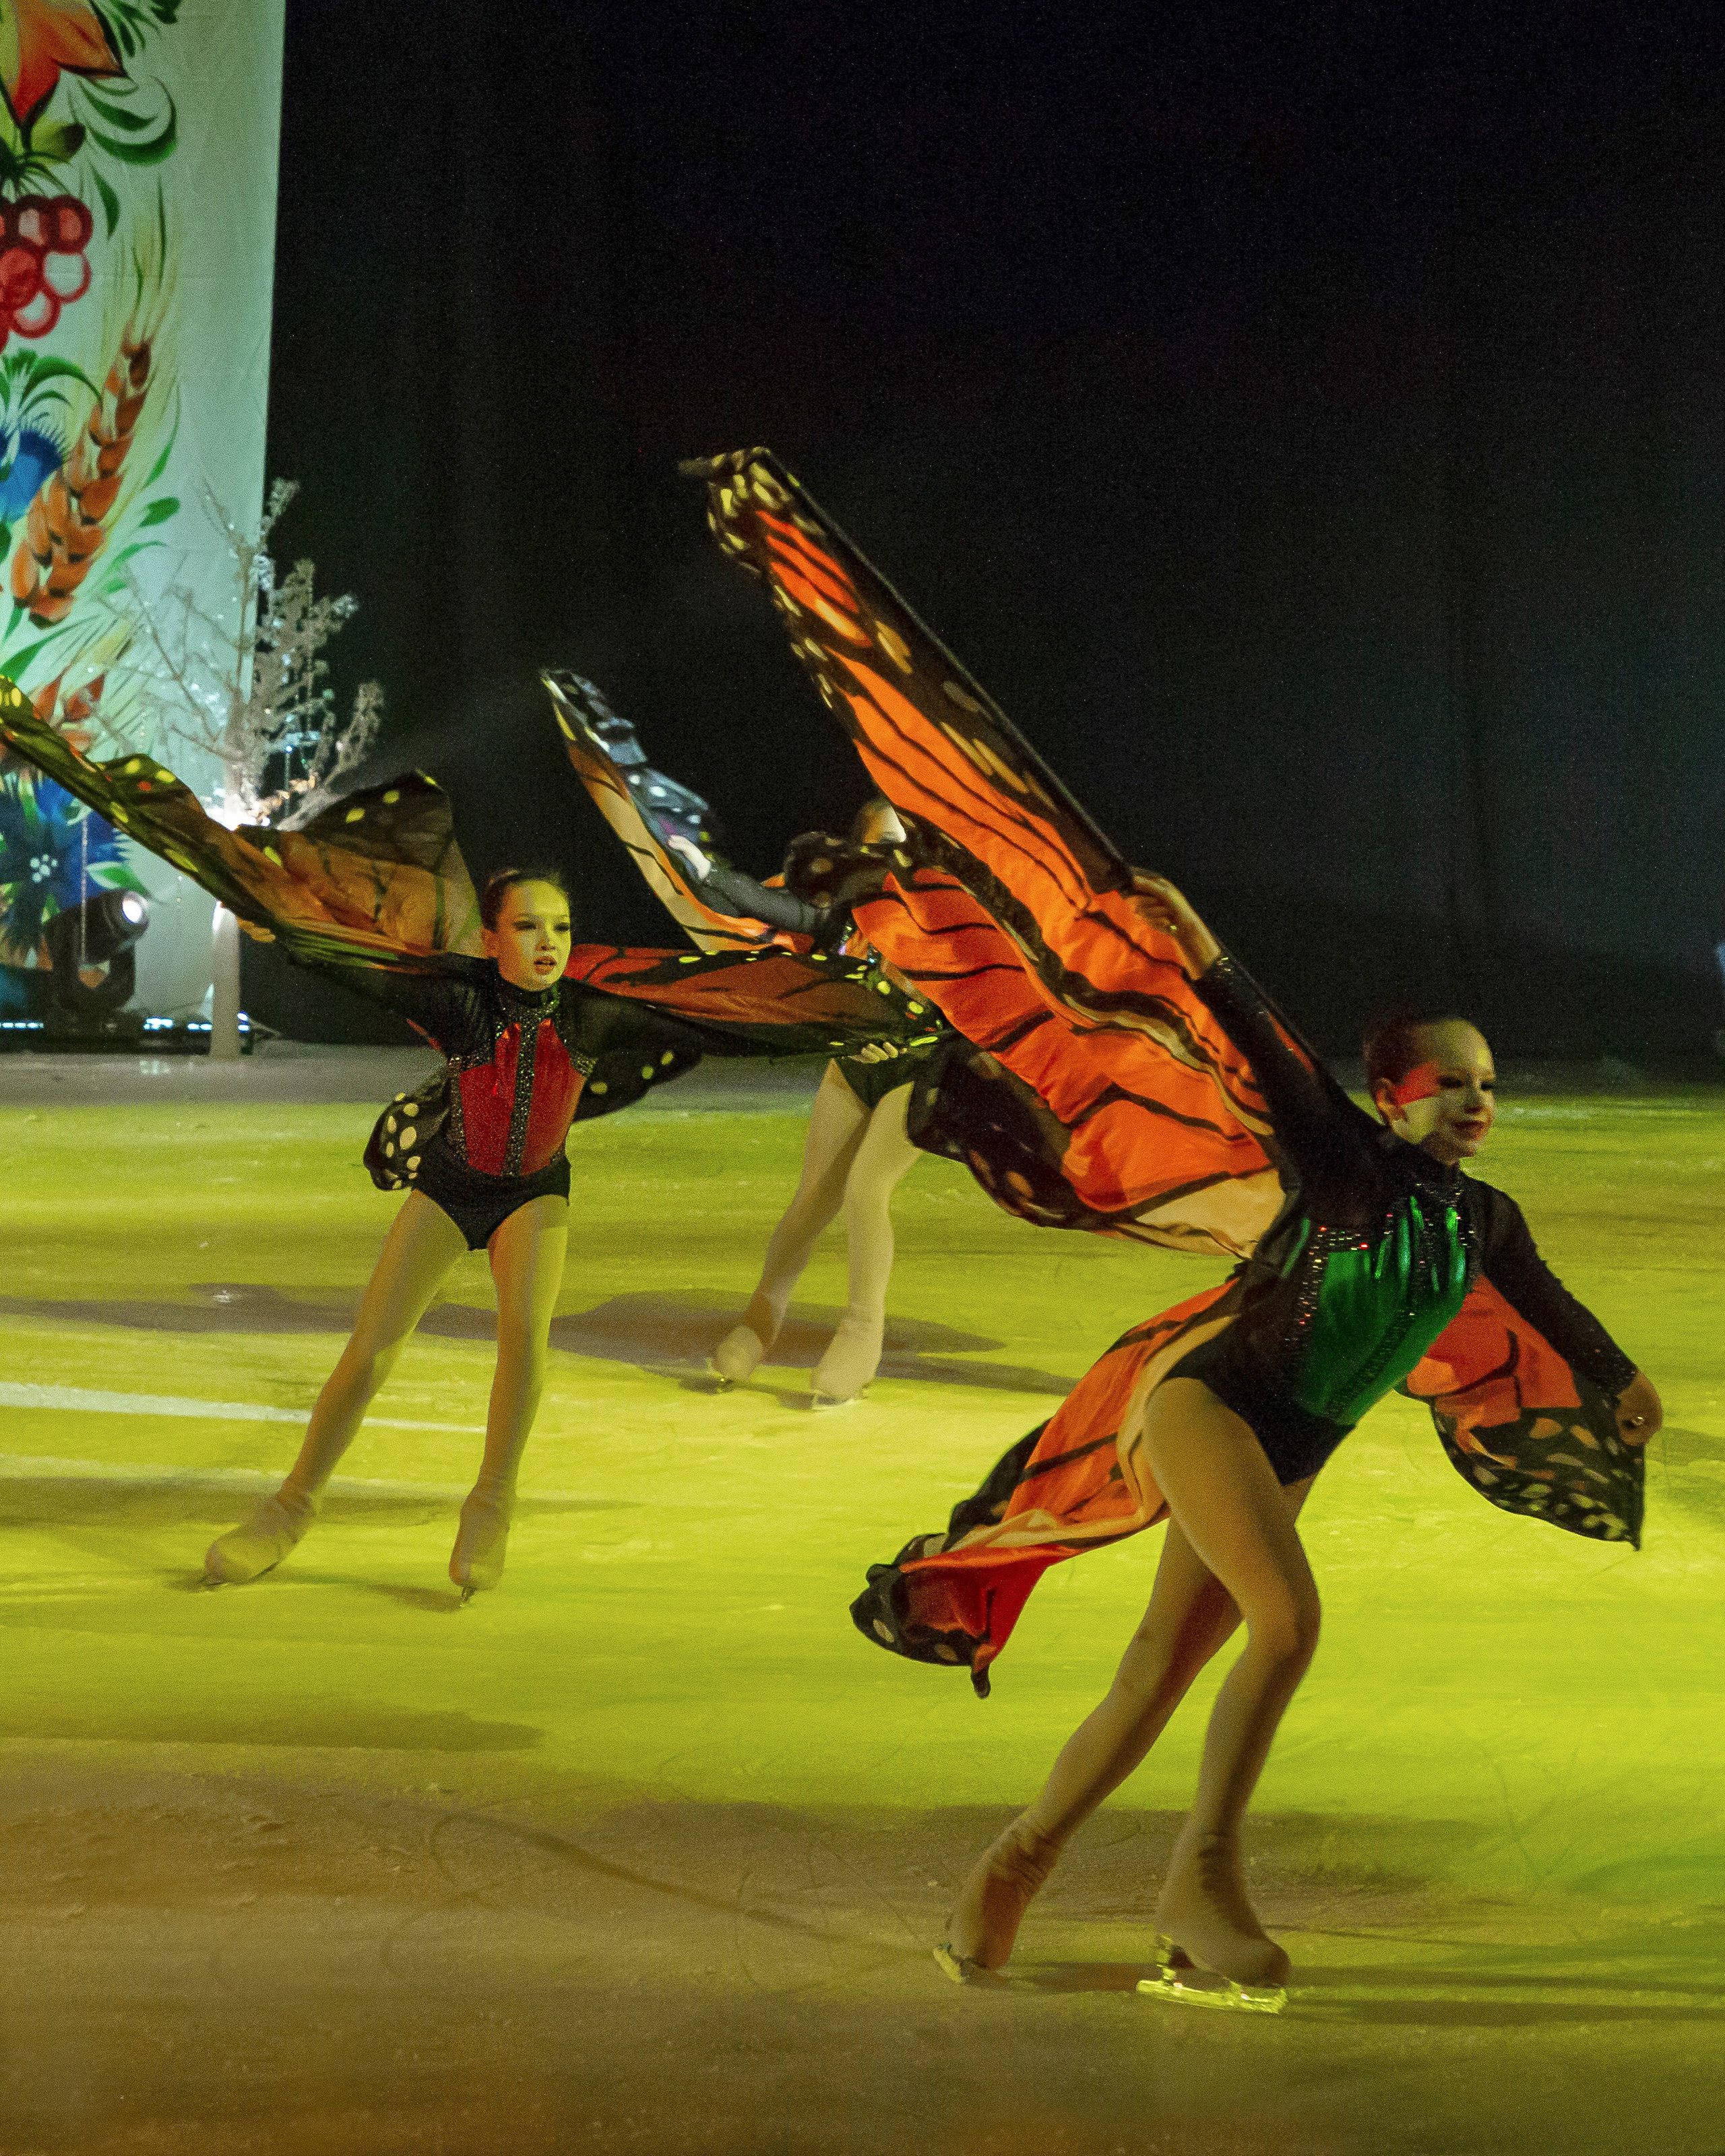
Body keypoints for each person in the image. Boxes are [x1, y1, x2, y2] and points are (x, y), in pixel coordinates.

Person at [0, 685, 919, 1595]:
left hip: (532, 1196)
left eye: (560, 926)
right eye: (529, 927)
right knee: (373, 1347)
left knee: (526, 1343)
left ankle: (491, 1506)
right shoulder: (457, 993)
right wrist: (282, 926)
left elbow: (726, 1010)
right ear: (494, 933)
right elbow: (347, 957)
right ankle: (290, 1506)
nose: (550, 941)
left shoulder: (595, 1008)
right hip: (449, 1185)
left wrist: (866, 1020)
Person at [921, 874, 1660, 2006]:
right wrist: (1207, 949)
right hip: (1211, 1407)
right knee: (1288, 1621)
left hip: (1293, 1447)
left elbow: (1546, 1301)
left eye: (1487, 1086)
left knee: (1155, 1671)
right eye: (1446, 1083)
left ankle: (1009, 1872)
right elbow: (1266, 1050)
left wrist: (1619, 1376)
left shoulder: (1484, 1215)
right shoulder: (1342, 1162)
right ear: (1389, 1093)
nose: (1473, 1102)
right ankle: (1201, 1885)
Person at [673, 801, 945, 1405]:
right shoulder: (844, 918)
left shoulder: (950, 918)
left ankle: (861, 1330)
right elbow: (768, 905)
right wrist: (706, 872)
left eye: (903, 844)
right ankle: (758, 1322)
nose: (891, 858)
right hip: (851, 1072)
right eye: (878, 846)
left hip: (917, 1072)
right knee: (811, 1200)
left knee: (866, 1191)